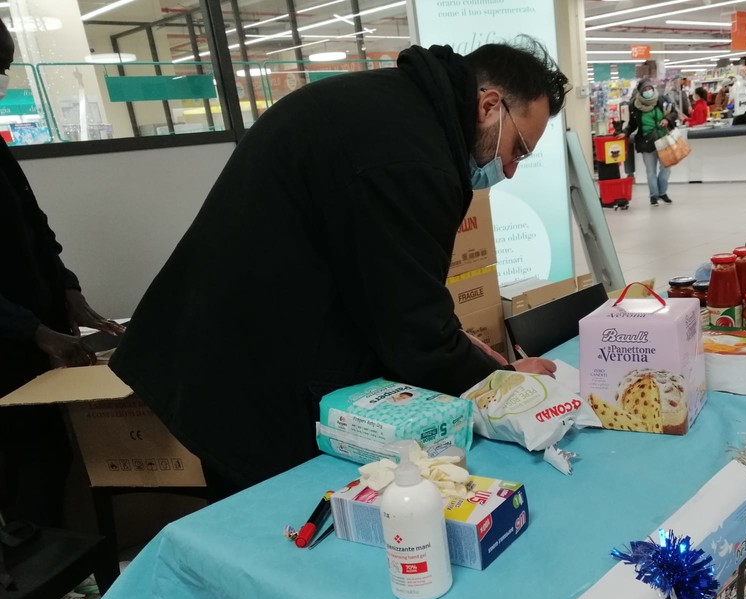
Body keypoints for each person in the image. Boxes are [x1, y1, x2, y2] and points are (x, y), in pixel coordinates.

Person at [110, 38, 569, 500]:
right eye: (518, 149)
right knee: (279, 515)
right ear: (489, 106)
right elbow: (415, 333)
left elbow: (390, 290)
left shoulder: (399, 110)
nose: (510, 170)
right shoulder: (410, 157)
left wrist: (454, 342)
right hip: (241, 366)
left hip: (254, 332)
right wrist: (501, 381)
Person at [0, 18, 123, 530]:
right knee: (24, 469)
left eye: (4, 69)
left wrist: (66, 288)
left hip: (33, 338)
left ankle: (54, 556)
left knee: (51, 456)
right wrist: (31, 329)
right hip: (9, 347)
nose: (1, 83)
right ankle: (34, 567)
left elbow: (34, 226)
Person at [623, 78, 676, 206]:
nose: (648, 91)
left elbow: (673, 112)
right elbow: (632, 124)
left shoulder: (661, 100)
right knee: (650, 171)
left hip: (663, 138)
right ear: (640, 92)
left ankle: (662, 192)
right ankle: (654, 196)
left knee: (666, 168)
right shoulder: (634, 106)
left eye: (650, 88)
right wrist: (625, 132)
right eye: (645, 89)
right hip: (646, 141)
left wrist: (667, 119)